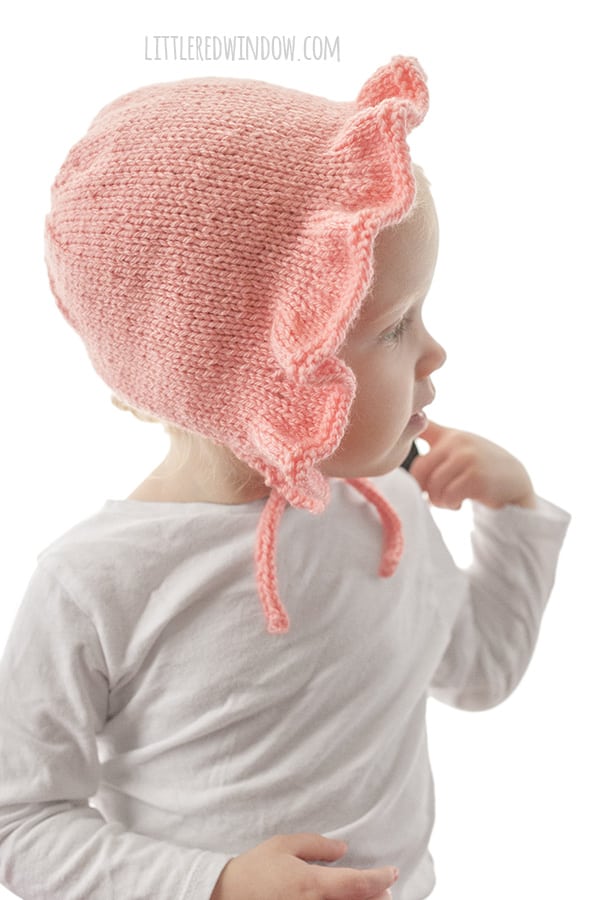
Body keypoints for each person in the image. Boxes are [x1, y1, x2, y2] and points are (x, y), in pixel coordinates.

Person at [0, 56, 570, 900]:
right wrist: (216, 882)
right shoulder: (99, 580)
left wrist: (515, 508)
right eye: (397, 326)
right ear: (262, 370)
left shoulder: (390, 509)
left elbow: (476, 672)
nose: (438, 353)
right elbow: (21, 824)